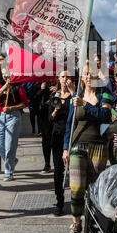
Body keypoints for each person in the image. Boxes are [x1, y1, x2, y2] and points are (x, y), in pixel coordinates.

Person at [62, 63, 112, 233]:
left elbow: (105, 116)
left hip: (98, 146)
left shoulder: (104, 94)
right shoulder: (76, 97)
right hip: (77, 145)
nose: (89, 77)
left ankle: (89, 229)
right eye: (85, 74)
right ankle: (76, 224)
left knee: (93, 190)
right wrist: (65, 148)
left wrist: (86, 105)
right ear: (82, 77)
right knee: (76, 188)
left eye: (92, 74)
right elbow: (70, 124)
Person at [0, 67, 28, 181]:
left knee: (10, 146)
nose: (5, 77)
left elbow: (24, 103)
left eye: (7, 74)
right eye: (4, 75)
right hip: (0, 116)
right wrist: (6, 85)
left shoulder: (19, 87)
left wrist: (12, 108)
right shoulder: (0, 85)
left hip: (13, 116)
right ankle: (12, 161)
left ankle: (9, 171)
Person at [49, 71, 75, 216]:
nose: (65, 79)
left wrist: (73, 93)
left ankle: (76, 200)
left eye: (68, 76)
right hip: (58, 136)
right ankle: (59, 201)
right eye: (63, 76)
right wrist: (54, 111)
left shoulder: (74, 95)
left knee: (74, 170)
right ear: (59, 79)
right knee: (58, 171)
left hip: (72, 135)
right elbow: (49, 119)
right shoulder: (54, 96)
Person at [37, 81, 53, 174]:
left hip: (56, 114)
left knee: (56, 139)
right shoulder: (37, 83)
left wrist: (56, 89)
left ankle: (60, 163)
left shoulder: (58, 80)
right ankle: (47, 164)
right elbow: (32, 97)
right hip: (43, 115)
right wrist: (40, 88)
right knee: (46, 140)